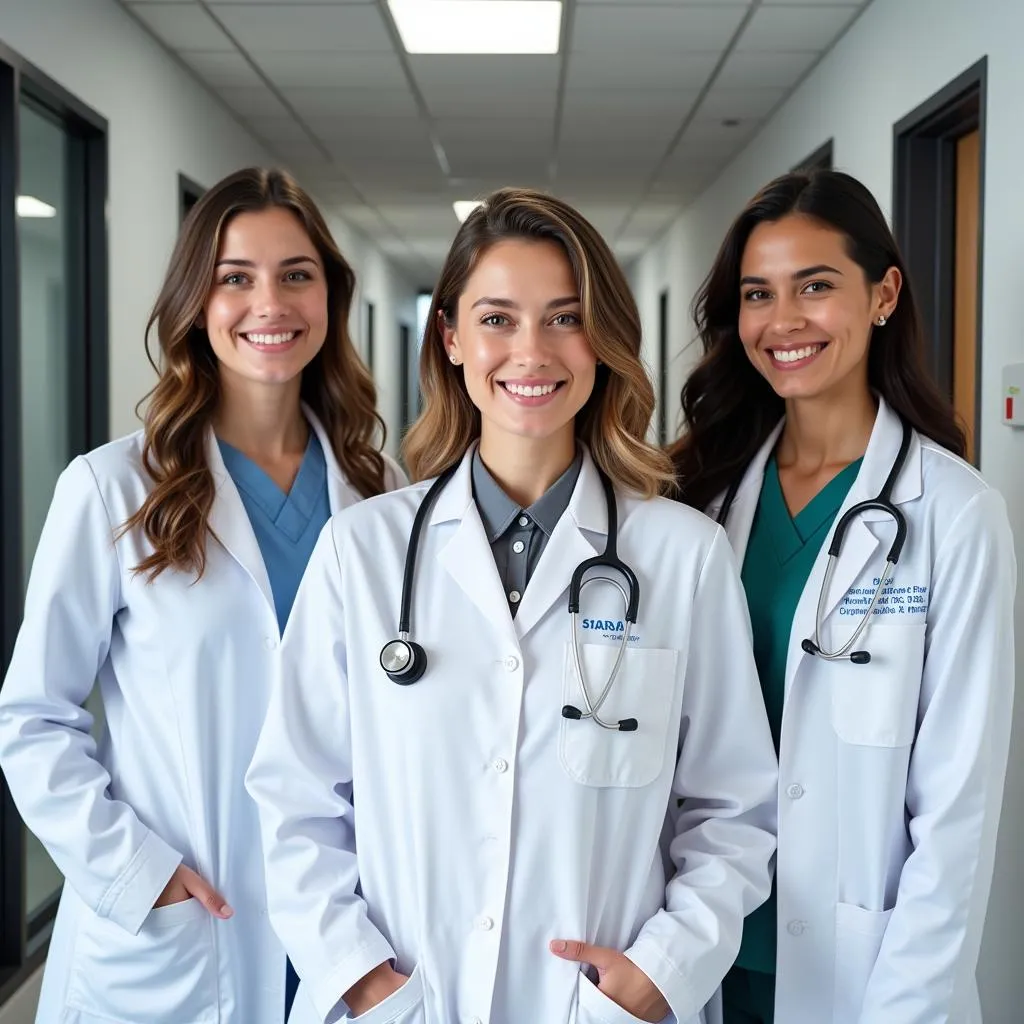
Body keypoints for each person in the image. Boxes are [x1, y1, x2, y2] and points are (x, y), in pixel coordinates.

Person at [245, 187, 778, 1024]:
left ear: (603, 343)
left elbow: (733, 808)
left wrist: (661, 971)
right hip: (406, 996)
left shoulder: (682, 557)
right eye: (497, 319)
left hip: (599, 1003)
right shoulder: (364, 549)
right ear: (451, 338)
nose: (531, 351)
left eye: (565, 318)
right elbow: (296, 800)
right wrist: (362, 976)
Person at [0, 167, 406, 1024]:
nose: (271, 302)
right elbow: (34, 718)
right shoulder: (113, 490)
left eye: (297, 274)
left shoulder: (382, 492)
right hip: (192, 919)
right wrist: (136, 873)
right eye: (236, 277)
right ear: (197, 299)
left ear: (329, 295)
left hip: (351, 920)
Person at [670, 169, 1016, 1024]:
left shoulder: (953, 512)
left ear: (884, 293)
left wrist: (908, 1004)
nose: (782, 322)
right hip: (697, 944)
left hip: (862, 968)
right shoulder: (698, 501)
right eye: (758, 294)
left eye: (814, 287)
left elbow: (957, 808)